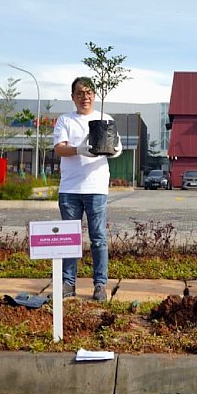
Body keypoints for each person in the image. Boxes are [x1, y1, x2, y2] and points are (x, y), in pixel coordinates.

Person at [53, 77, 122, 302]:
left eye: (89, 93)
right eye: (80, 93)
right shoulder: (65, 120)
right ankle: (68, 282)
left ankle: (100, 284)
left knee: (99, 237)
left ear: (95, 96)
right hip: (70, 188)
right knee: (69, 238)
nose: (85, 97)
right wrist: (79, 150)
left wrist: (115, 149)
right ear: (73, 96)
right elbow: (60, 149)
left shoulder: (105, 119)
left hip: (96, 187)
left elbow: (114, 145)